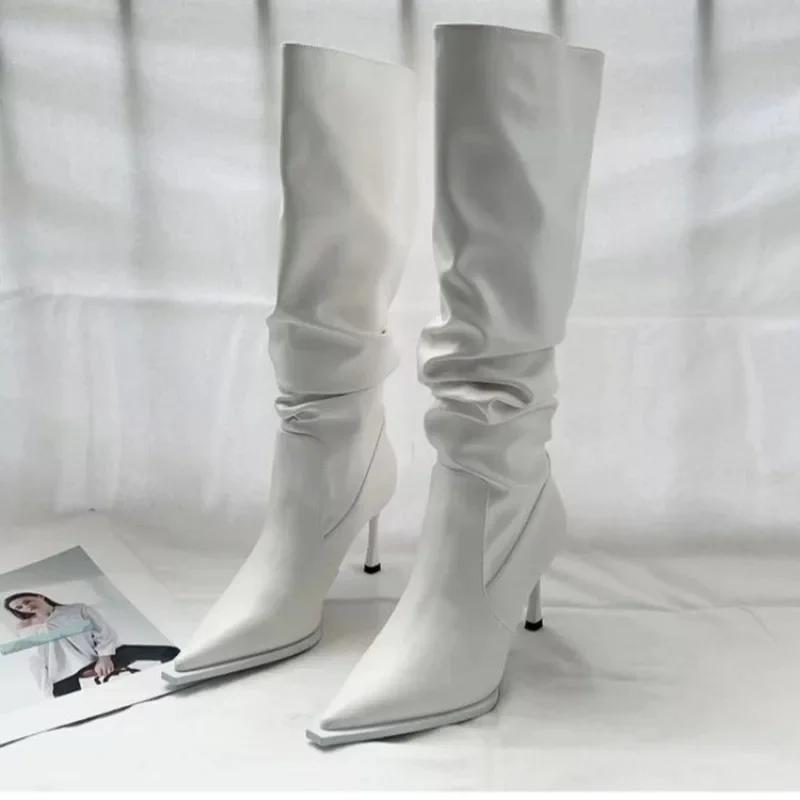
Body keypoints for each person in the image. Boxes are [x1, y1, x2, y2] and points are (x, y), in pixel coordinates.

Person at [3, 592, 179, 698]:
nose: (25, 607)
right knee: (75, 714)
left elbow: (103, 631)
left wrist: (104, 657)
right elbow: (36, 660)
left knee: (169, 652)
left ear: (40, 596)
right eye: (19, 607)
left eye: (27, 601)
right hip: (63, 675)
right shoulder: (25, 629)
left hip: (100, 658)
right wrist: (46, 690)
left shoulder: (77, 609)